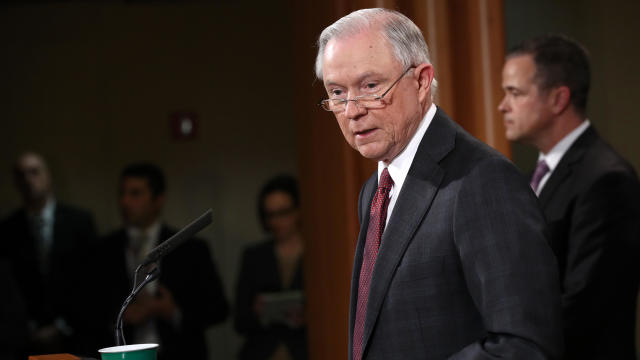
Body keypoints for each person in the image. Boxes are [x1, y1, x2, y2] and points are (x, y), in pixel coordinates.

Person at [315, 8, 563, 359]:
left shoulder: (483, 181)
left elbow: (525, 344)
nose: (352, 110)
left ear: (420, 81)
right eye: (337, 92)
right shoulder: (375, 189)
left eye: (370, 86)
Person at [498, 34, 640, 359]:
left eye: (515, 93)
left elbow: (586, 306)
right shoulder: (533, 175)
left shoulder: (607, 180)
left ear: (558, 99)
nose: (502, 105)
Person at [95, 162, 228, 360]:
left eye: (135, 193)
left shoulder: (190, 249)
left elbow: (219, 309)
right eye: (122, 193)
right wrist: (120, 315)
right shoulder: (103, 249)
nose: (124, 201)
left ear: (158, 199)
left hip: (179, 353)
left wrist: (172, 311)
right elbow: (89, 307)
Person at [0, 152, 98, 357]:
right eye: (21, 174)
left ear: (48, 176)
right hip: (25, 341)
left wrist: (63, 326)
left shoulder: (79, 222)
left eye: (34, 172)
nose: (28, 180)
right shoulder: (8, 230)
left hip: (77, 335)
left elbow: (90, 281)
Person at [235, 175, 307, 360]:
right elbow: (239, 320)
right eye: (270, 215)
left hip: (307, 348)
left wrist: (309, 317)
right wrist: (257, 312)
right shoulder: (254, 256)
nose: (276, 221)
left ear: (298, 211)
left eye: (283, 213)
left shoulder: (318, 256)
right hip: (263, 350)